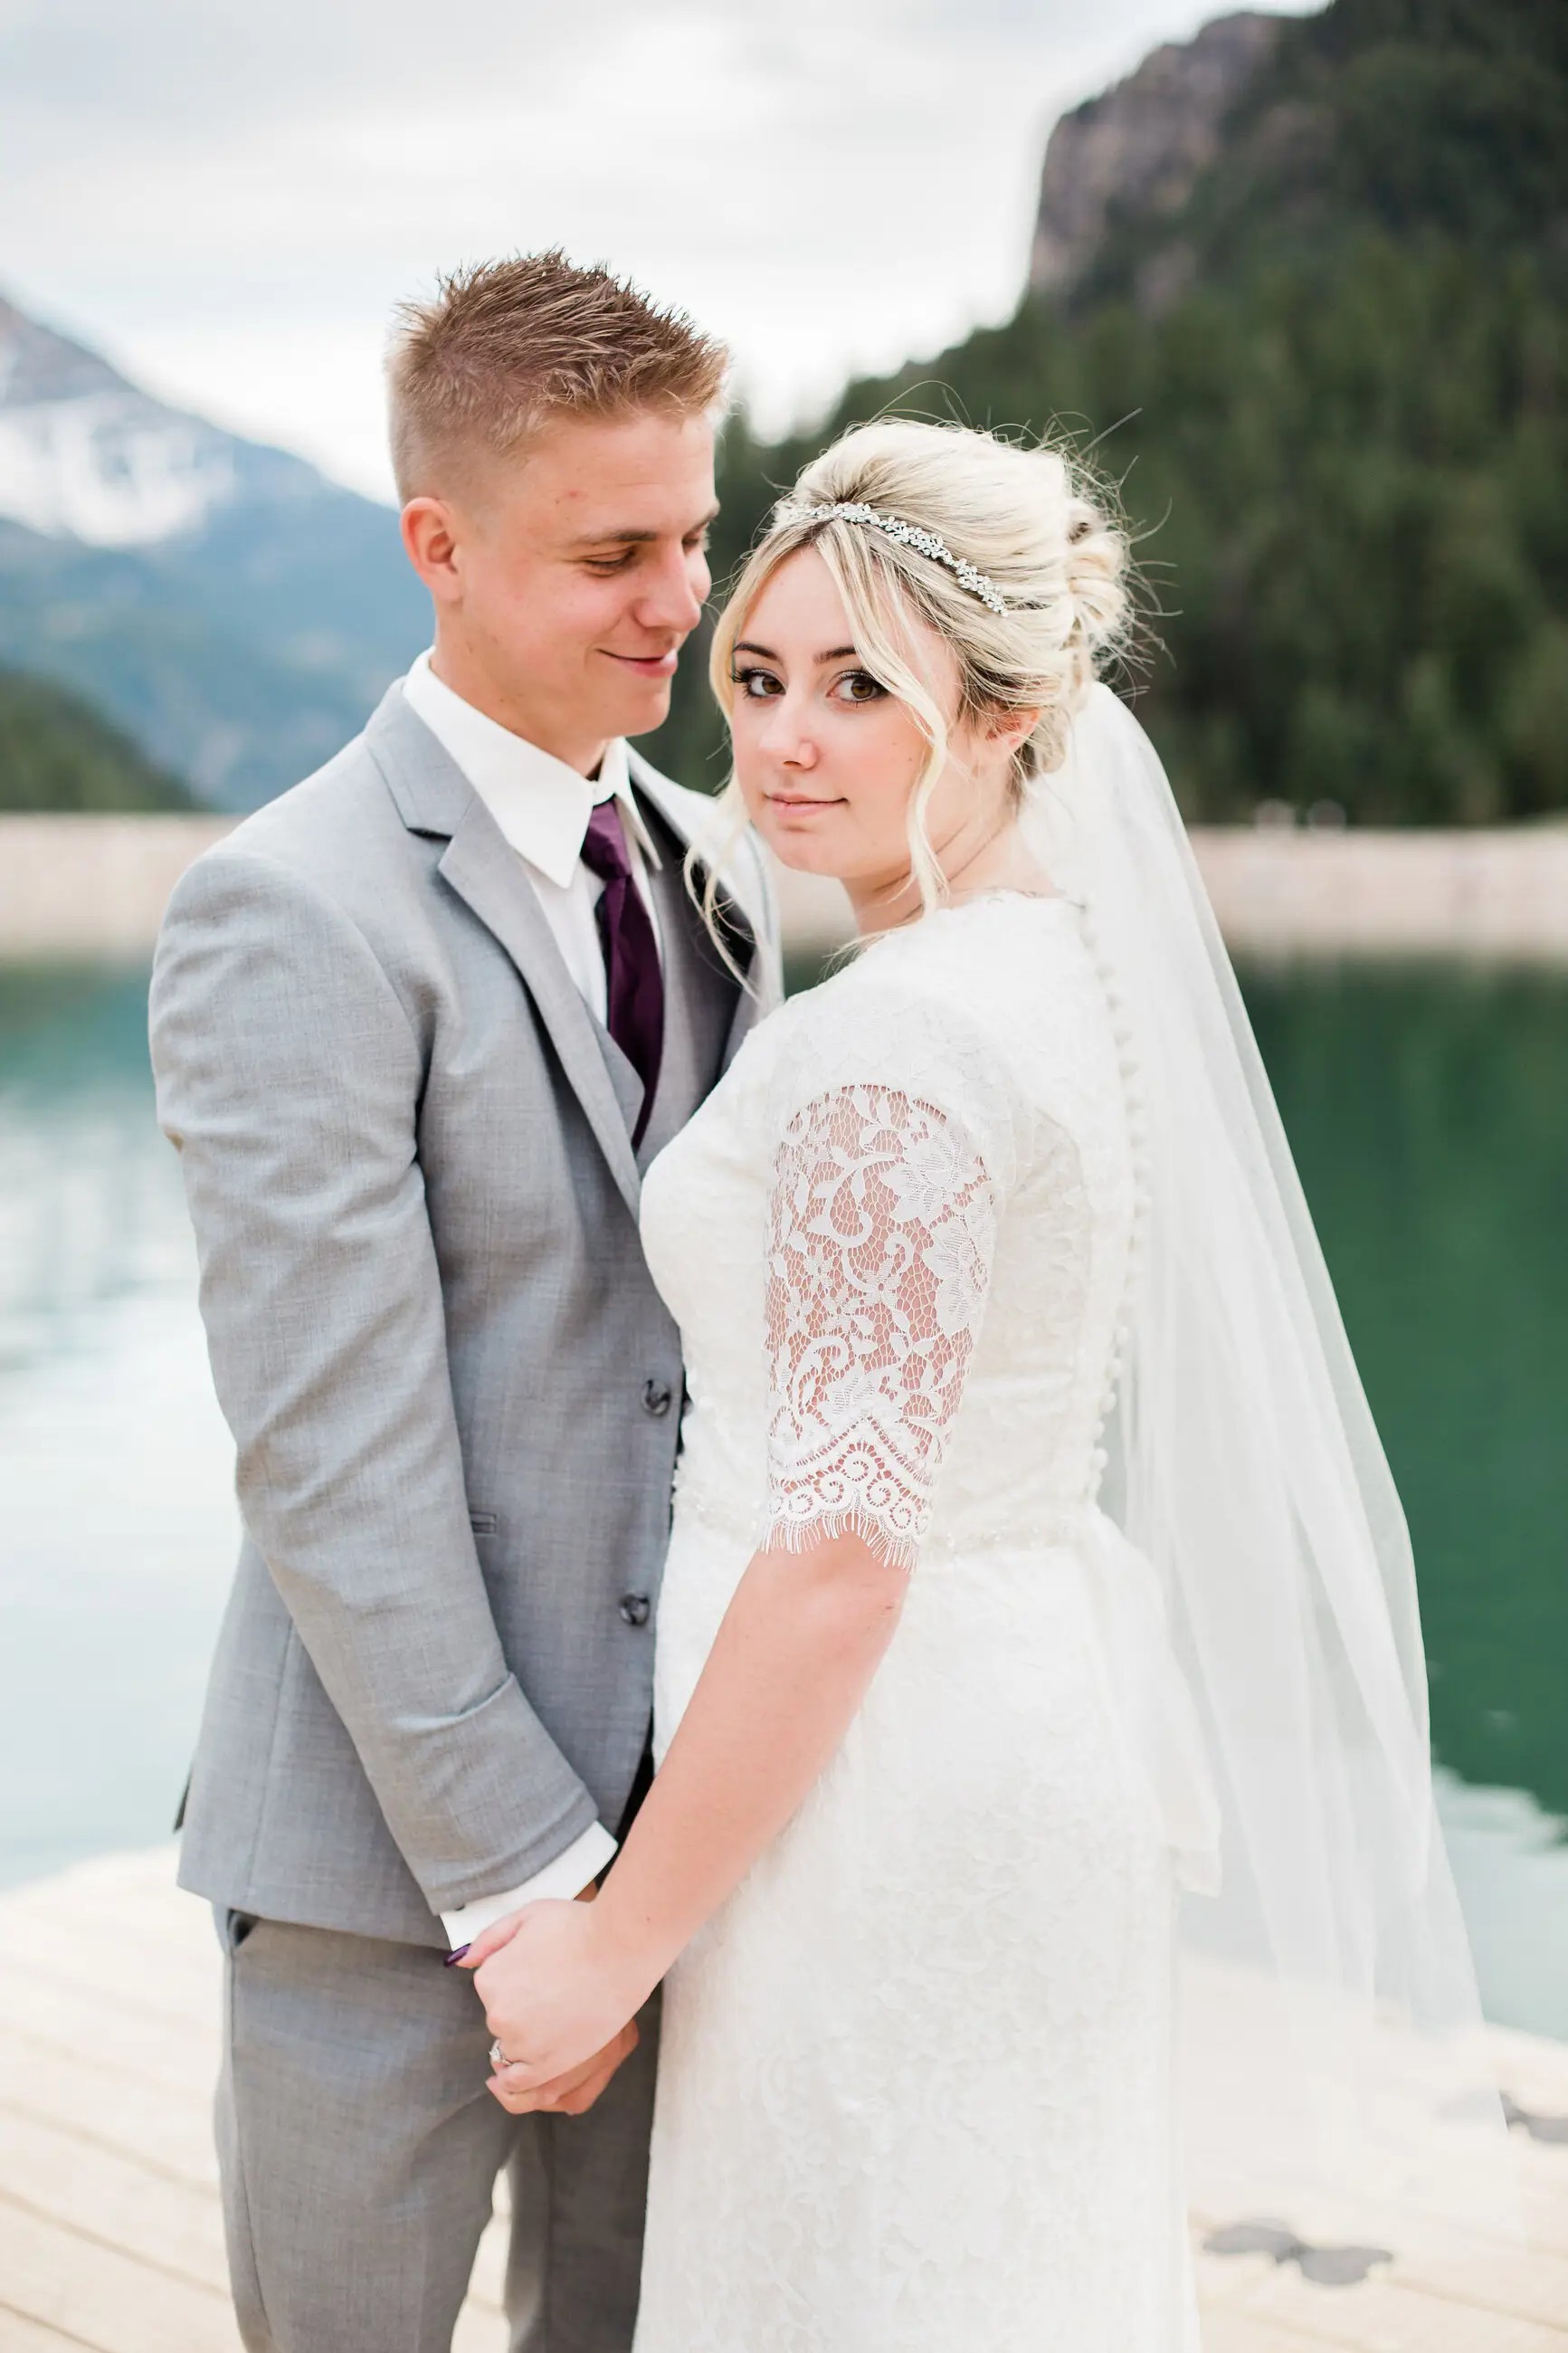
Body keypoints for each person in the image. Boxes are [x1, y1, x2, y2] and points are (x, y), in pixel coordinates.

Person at [464, 416, 1511, 2349]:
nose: (786, 738)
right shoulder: (1052, 978)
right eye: (760, 678)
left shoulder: (904, 1049)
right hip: (1010, 1728)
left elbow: (846, 1552)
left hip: (868, 1787)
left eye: (864, 689)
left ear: (1015, 708)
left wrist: (615, 1943)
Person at [148, 252, 779, 2353]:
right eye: (614, 550)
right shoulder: (287, 905)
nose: (678, 602)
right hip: (378, 1877)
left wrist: (664, 1870)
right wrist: (527, 1893)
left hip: (679, 1856)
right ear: (439, 543)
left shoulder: (711, 867)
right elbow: (329, 1448)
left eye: (694, 532)